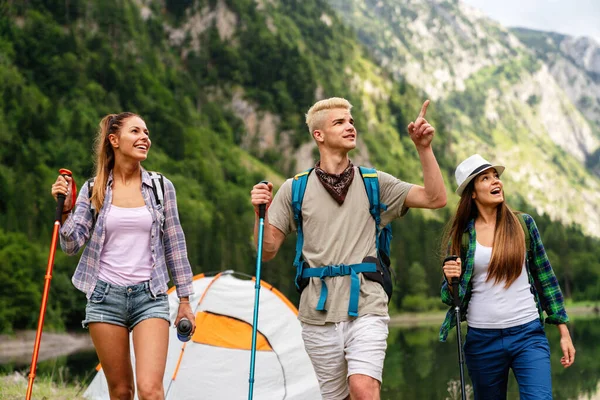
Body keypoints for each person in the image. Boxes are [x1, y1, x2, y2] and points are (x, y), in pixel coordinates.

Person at [250, 97, 447, 399]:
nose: (349, 126)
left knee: (363, 388)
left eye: (351, 121)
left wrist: (423, 148)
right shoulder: (295, 189)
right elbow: (267, 251)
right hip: (317, 312)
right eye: (339, 122)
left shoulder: (374, 182)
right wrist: (259, 215)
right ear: (319, 135)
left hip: (367, 304)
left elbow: (435, 198)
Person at [50, 112, 195, 400]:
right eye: (135, 131)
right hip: (104, 296)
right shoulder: (95, 189)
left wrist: (185, 300)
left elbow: (175, 245)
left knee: (151, 391)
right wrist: (65, 209)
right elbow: (70, 245)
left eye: (146, 132)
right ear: (114, 140)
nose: (145, 137)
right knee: (120, 392)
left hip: (150, 296)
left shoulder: (161, 188)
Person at [439, 154, 576, 400]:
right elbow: (453, 299)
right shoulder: (462, 237)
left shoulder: (523, 225)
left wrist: (564, 332)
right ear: (472, 192)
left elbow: (546, 278)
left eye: (496, 177)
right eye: (485, 178)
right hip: (482, 340)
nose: (496, 182)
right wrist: (451, 280)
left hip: (528, 335)